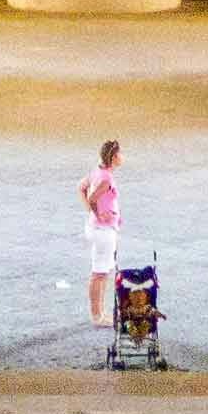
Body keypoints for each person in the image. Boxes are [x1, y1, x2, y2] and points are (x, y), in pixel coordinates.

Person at [80, 138, 125, 326]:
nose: (122, 157)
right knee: (99, 273)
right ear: (114, 157)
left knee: (103, 271)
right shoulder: (106, 178)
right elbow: (91, 197)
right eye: (120, 154)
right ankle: (97, 316)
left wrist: (92, 214)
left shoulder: (98, 170)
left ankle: (100, 313)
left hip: (98, 228)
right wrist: (98, 214)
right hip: (103, 231)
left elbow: (81, 187)